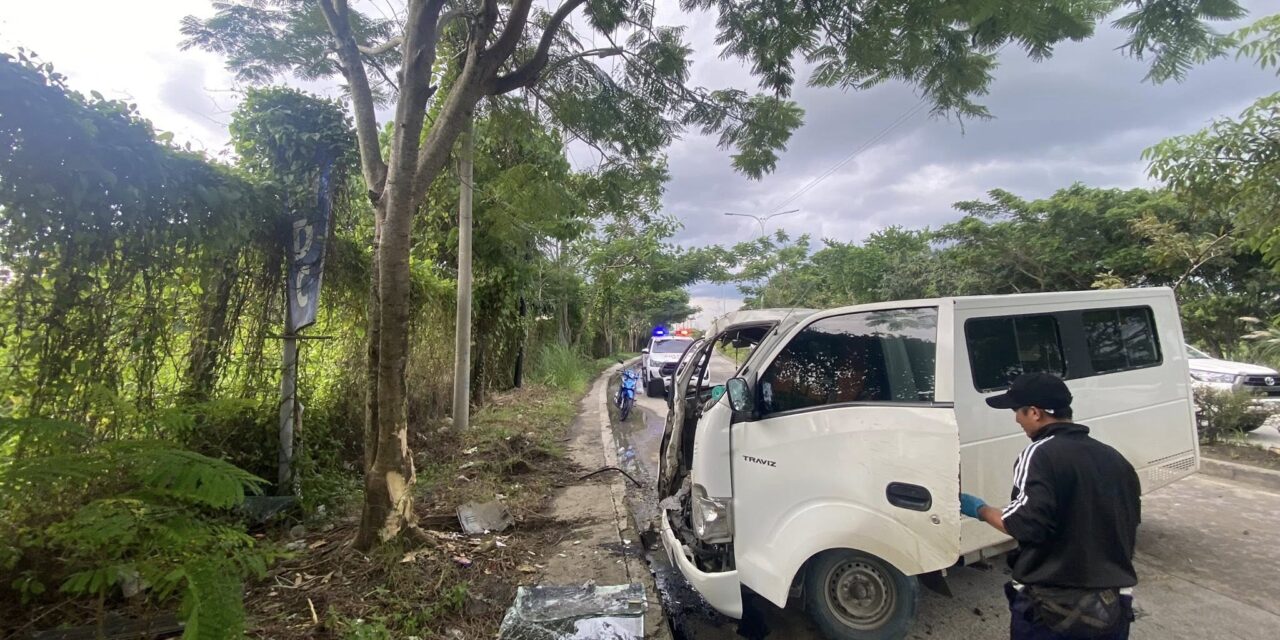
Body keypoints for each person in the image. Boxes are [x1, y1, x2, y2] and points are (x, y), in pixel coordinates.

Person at [959, 372, 1141, 639]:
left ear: (1034, 412)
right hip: (1111, 606)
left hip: (1053, 608)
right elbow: (1128, 526)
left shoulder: (1039, 453)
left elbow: (1024, 525)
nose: (1016, 419)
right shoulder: (1115, 459)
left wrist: (980, 509)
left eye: (1017, 411)